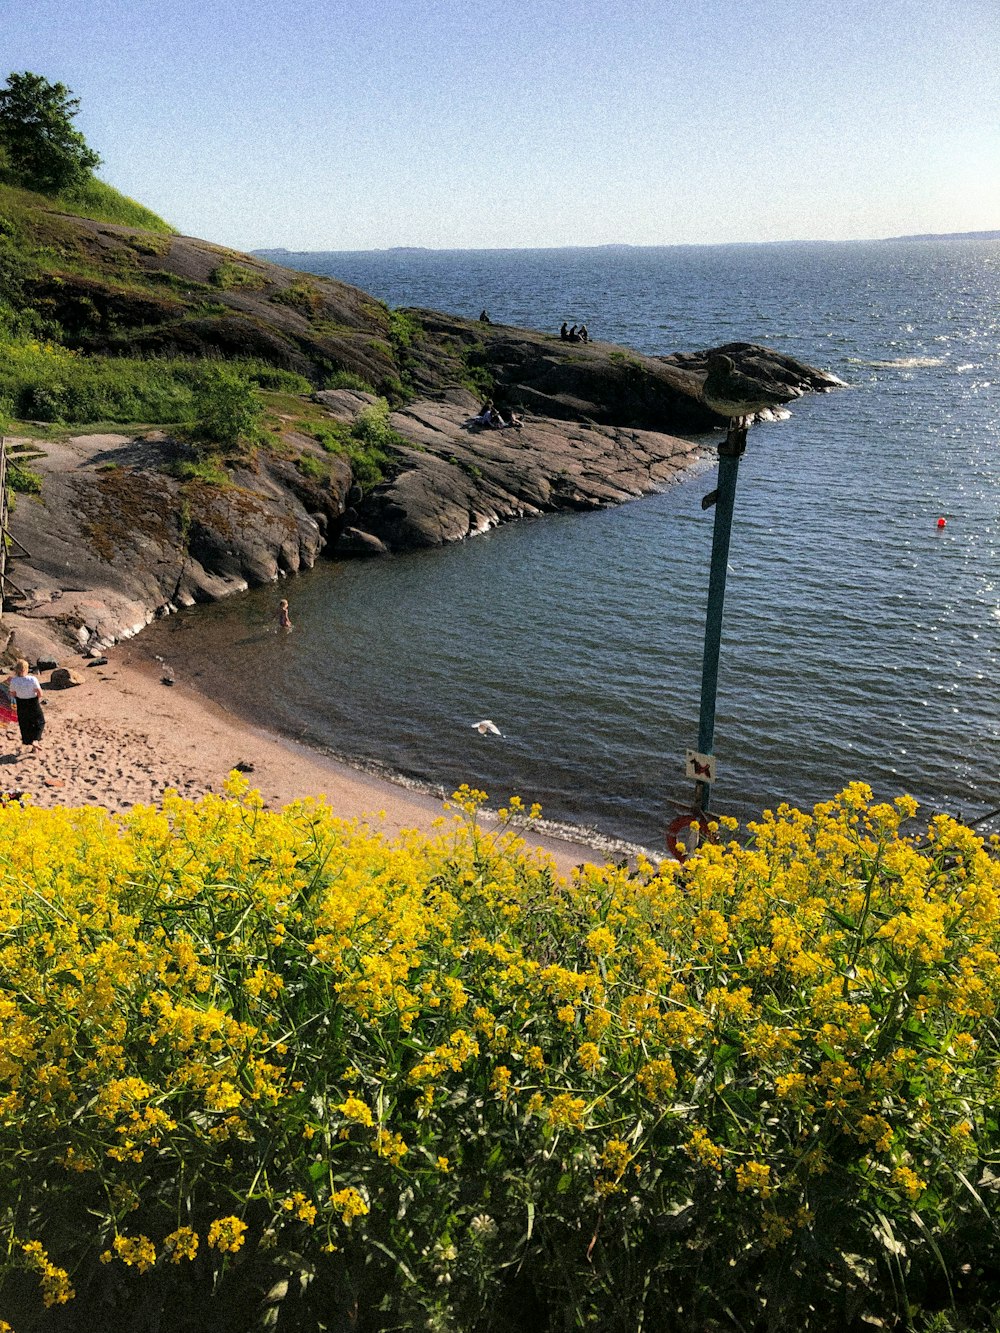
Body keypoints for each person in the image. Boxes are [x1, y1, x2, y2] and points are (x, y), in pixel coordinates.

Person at [7, 658, 44, 750]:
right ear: (26, 668)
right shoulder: (32, 679)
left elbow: (12, 693)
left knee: (25, 724)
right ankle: (35, 739)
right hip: (33, 702)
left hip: (21, 703)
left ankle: (31, 743)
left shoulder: (14, 681)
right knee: (39, 721)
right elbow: (40, 693)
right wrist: (36, 698)